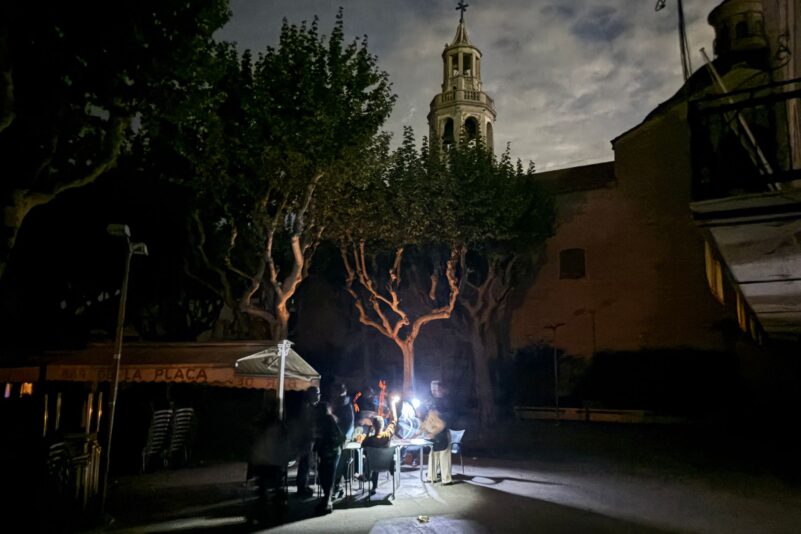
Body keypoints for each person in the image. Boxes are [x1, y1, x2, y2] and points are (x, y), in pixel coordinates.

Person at [248, 397, 292, 507]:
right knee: (275, 485)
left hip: (263, 460)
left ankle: (264, 504)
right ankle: (275, 504)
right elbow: (284, 442)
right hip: (272, 460)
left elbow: (254, 440)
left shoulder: (261, 423)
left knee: (263, 486)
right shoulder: (278, 424)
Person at [313, 401, 345, 515]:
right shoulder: (326, 420)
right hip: (329, 452)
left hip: (331, 452)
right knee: (325, 476)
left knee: (327, 476)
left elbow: (334, 437)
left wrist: (320, 447)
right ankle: (326, 500)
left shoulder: (328, 420)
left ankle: (327, 502)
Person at [421, 380, 453, 485]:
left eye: (435, 389)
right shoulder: (431, 401)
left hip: (443, 431)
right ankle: (432, 477)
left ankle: (446, 479)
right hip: (434, 432)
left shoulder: (447, 400)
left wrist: (439, 416)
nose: (433, 391)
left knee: (444, 456)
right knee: (433, 454)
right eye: (432, 389)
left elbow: (450, 416)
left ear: (441, 389)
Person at [291, 385, 320, 498]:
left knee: (305, 464)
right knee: (305, 464)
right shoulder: (307, 407)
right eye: (317, 394)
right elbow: (306, 424)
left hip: (306, 439)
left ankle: (303, 487)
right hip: (306, 439)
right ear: (311, 395)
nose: (318, 396)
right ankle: (302, 488)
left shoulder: (308, 406)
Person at [360, 414, 396, 494]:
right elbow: (393, 422)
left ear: (373, 426)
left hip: (372, 466)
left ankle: (367, 476)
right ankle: (373, 485)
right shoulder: (387, 435)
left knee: (371, 458)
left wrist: (369, 431)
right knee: (377, 458)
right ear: (383, 426)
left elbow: (362, 445)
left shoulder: (369, 440)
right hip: (386, 465)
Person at [330, 383, 354, 500]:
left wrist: (344, 437)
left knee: (338, 465)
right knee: (335, 465)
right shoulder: (338, 403)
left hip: (342, 439)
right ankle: (335, 488)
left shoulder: (346, 404)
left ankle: (338, 488)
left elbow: (349, 424)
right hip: (336, 438)